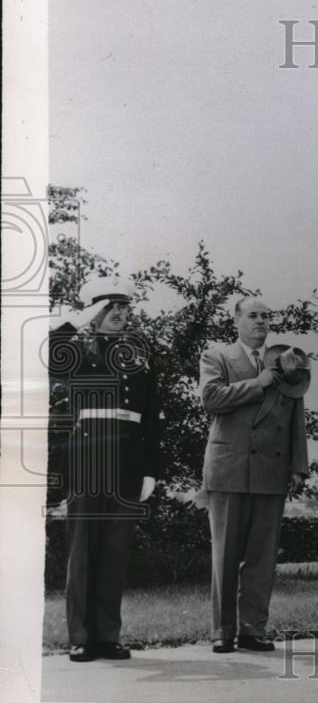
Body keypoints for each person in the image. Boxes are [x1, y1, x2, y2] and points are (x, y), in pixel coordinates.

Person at [47, 277, 160, 662]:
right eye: (111, 308)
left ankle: (108, 636)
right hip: (87, 461)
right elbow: (49, 349)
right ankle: (80, 636)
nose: (120, 314)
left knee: (114, 554)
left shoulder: (139, 355)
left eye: (124, 308)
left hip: (127, 464)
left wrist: (151, 470)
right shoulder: (77, 350)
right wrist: (79, 319)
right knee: (82, 553)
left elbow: (150, 419)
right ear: (94, 314)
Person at [199, 297, 310, 653]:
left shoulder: (288, 362)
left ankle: (253, 630)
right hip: (228, 467)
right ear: (236, 320)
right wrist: (260, 382)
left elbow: (297, 416)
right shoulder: (216, 357)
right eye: (253, 315)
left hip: (271, 470)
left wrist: (299, 466)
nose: (261, 321)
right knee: (225, 555)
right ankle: (222, 632)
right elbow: (211, 399)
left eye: (266, 316)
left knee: (262, 559)